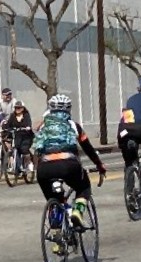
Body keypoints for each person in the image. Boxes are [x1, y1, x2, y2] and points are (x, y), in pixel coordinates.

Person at [33, 94, 107, 249]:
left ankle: (57, 236)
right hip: (68, 164)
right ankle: (77, 213)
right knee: (84, 187)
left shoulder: (42, 126)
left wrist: (37, 170)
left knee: (55, 201)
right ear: (69, 109)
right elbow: (88, 149)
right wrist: (99, 165)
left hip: (44, 169)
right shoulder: (74, 125)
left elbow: (36, 149)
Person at [1, 99, 34, 176]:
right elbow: (8, 124)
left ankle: (29, 163)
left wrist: (28, 127)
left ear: (23, 108)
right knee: (16, 148)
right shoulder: (13, 115)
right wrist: (4, 127)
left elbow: (28, 123)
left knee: (24, 149)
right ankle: (18, 168)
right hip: (17, 136)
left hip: (27, 136)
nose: (17, 109)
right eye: (16, 108)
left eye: (19, 108)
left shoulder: (26, 115)